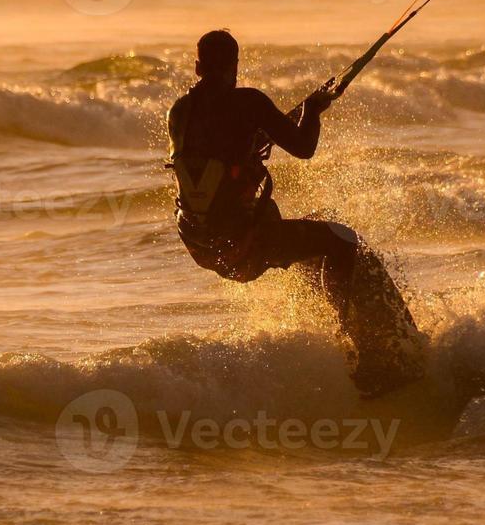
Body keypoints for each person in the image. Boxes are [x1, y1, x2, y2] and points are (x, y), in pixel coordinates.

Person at [167, 29, 429, 397]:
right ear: (234, 67)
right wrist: (313, 111)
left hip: (206, 248)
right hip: (245, 243)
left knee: (309, 242)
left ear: (198, 67)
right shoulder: (250, 103)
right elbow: (304, 147)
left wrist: (272, 126)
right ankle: (364, 356)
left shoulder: (179, 111)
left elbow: (220, 146)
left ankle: (334, 343)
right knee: (344, 244)